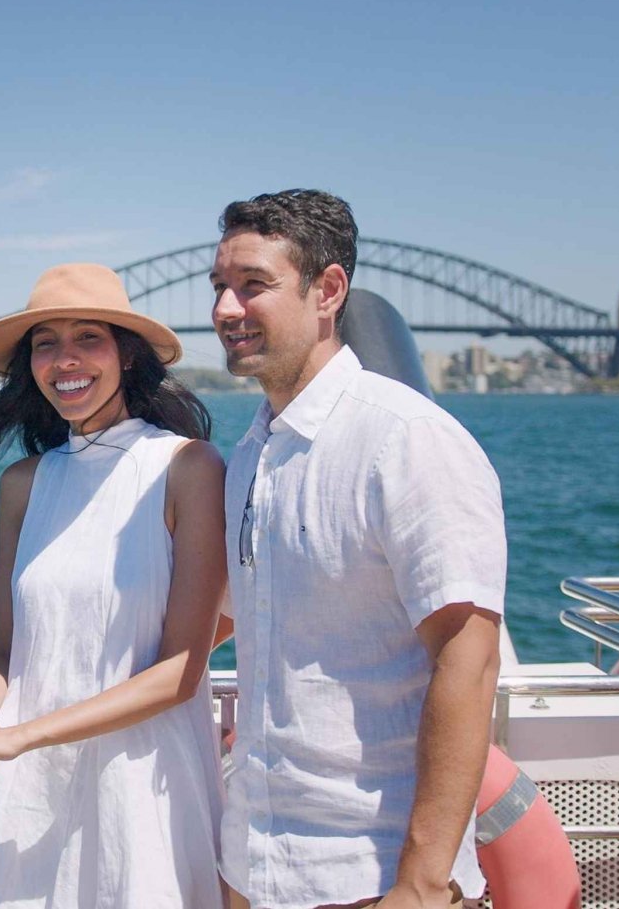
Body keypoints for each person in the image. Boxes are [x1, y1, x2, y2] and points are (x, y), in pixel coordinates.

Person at [209, 190, 505, 909]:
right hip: (254, 863)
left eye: (253, 284)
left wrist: (423, 884)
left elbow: (468, 656)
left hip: (366, 873)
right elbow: (234, 618)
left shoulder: (406, 439)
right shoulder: (251, 453)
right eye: (218, 285)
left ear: (328, 291)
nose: (223, 308)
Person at [0, 262, 229, 908]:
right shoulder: (24, 485)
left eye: (87, 337)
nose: (65, 359)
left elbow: (181, 670)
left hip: (143, 792)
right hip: (33, 795)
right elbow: (5, 652)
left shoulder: (186, 468)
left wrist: (20, 734)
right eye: (45, 342)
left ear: (125, 354)